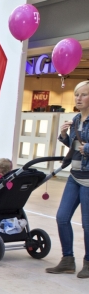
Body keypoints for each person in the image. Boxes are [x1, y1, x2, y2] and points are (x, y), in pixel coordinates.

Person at [47, 80, 89, 278]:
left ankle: (88, 262)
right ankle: (67, 260)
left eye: (84, 95)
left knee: (87, 224)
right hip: (74, 175)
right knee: (62, 217)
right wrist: (64, 135)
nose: (78, 99)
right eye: (76, 95)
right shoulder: (76, 119)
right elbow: (74, 148)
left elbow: (84, 148)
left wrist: (87, 148)